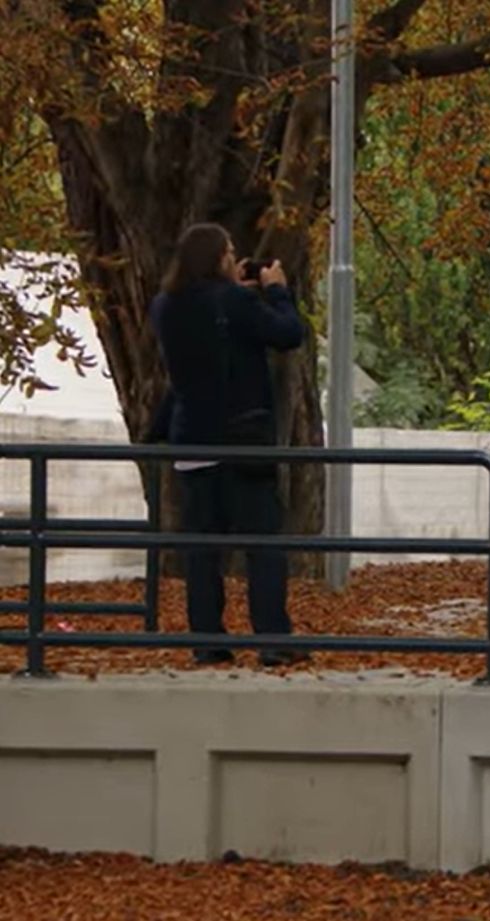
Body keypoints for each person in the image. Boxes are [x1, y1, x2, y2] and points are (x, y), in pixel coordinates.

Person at [150, 223, 307, 667]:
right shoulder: (235, 302)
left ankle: (207, 641)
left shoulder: (165, 306)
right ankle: (273, 639)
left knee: (202, 548)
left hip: (191, 442)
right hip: (242, 441)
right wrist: (275, 291)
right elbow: (287, 334)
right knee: (263, 543)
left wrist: (234, 291)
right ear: (219, 257)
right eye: (231, 250)